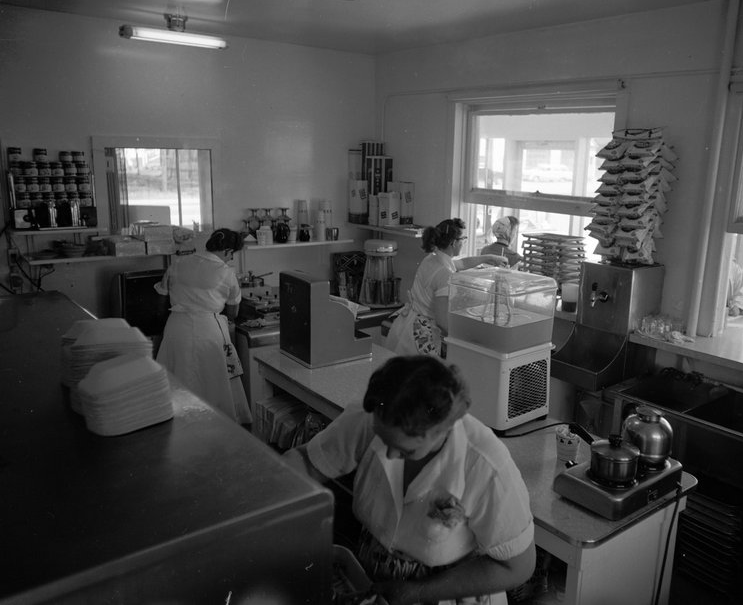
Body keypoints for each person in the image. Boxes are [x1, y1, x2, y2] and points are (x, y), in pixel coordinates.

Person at [284, 355, 536, 605]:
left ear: (442, 431)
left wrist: (417, 592)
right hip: (372, 574)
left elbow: (518, 568)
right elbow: (307, 462)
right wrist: (272, 485)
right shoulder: (374, 414)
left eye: (406, 450)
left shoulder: (487, 466)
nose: (390, 456)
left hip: (449, 590)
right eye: (383, 439)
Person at [155, 228, 252, 425]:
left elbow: (161, 301)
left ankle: (179, 425)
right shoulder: (225, 272)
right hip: (208, 329)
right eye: (231, 254)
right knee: (213, 382)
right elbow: (233, 311)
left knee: (179, 379)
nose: (230, 258)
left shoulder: (178, 264)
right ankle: (214, 427)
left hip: (176, 328)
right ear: (227, 251)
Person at [386, 218, 509, 357]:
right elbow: (442, 321)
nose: (464, 242)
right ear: (453, 243)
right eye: (463, 239)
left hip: (407, 322)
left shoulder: (432, 259)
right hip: (421, 332)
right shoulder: (444, 274)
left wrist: (489, 257)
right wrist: (468, 338)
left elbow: (462, 264)